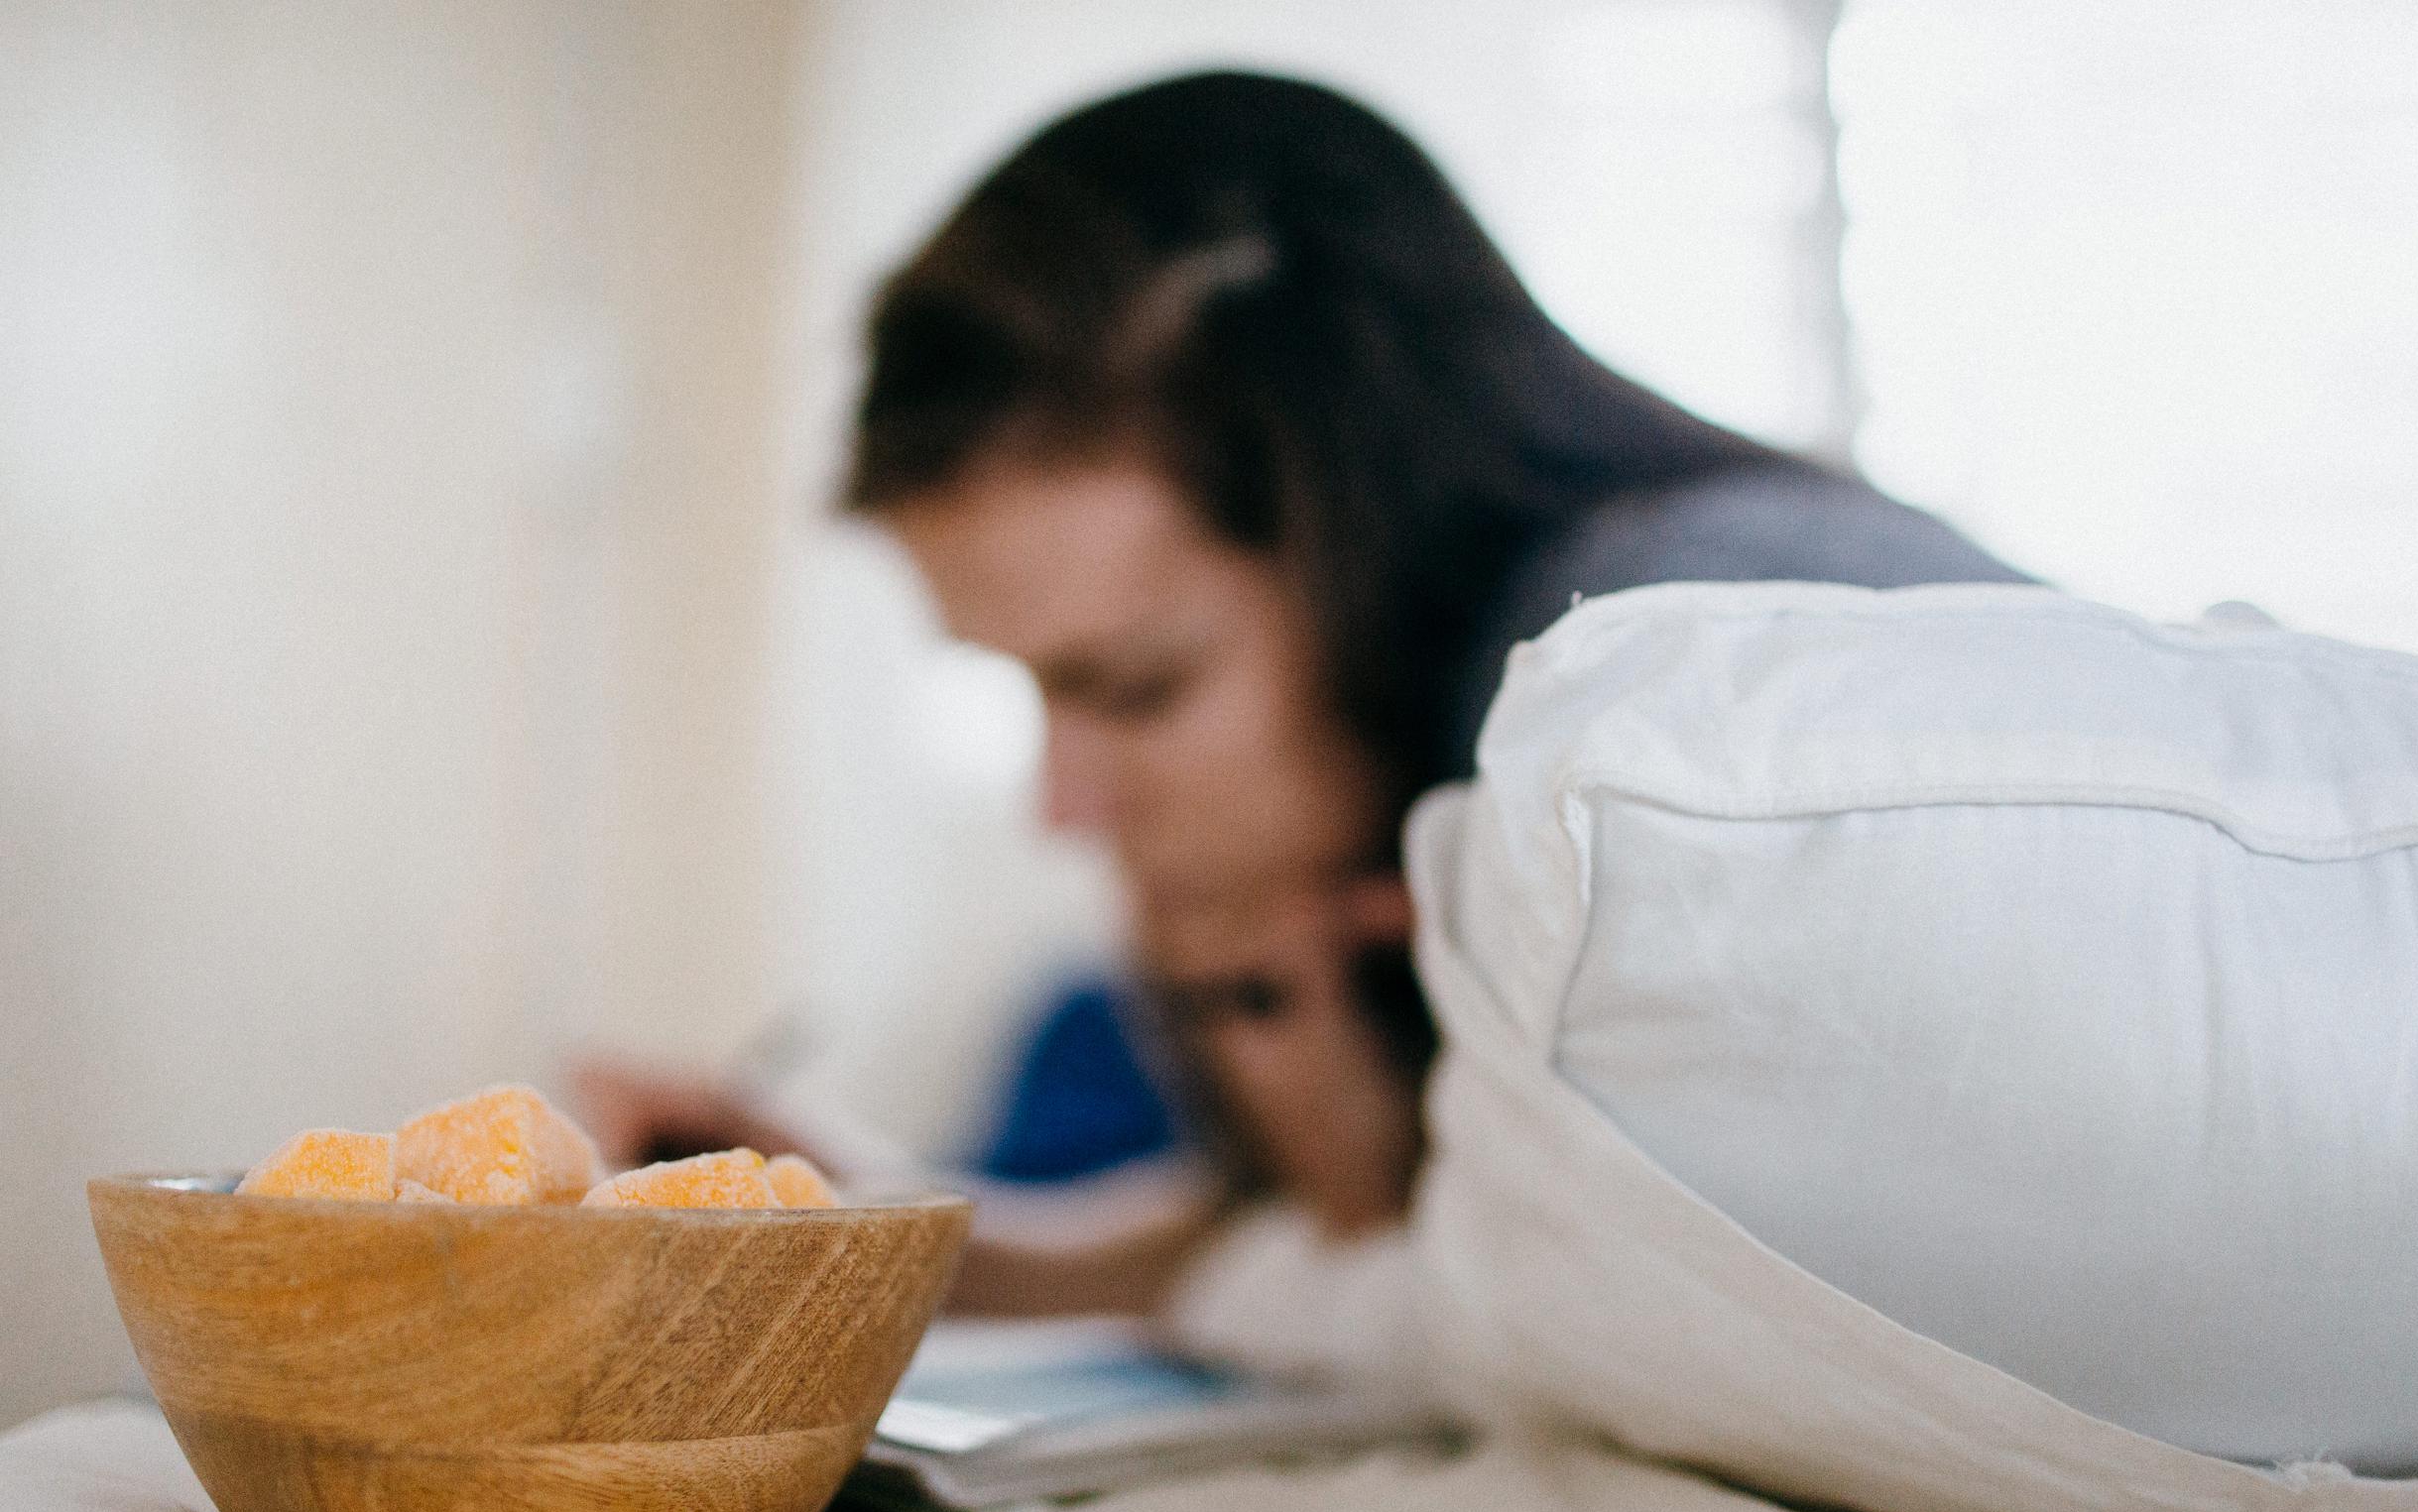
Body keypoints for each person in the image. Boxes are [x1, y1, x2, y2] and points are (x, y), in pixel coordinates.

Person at [577, 69, 2028, 1314]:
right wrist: (885, 1233)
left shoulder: (1685, 672)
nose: (1065, 806)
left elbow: (1607, 1304)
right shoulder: (1404, 787)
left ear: (1368, 529)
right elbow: (1342, 1260)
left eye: (1135, 687)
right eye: (1037, 696)